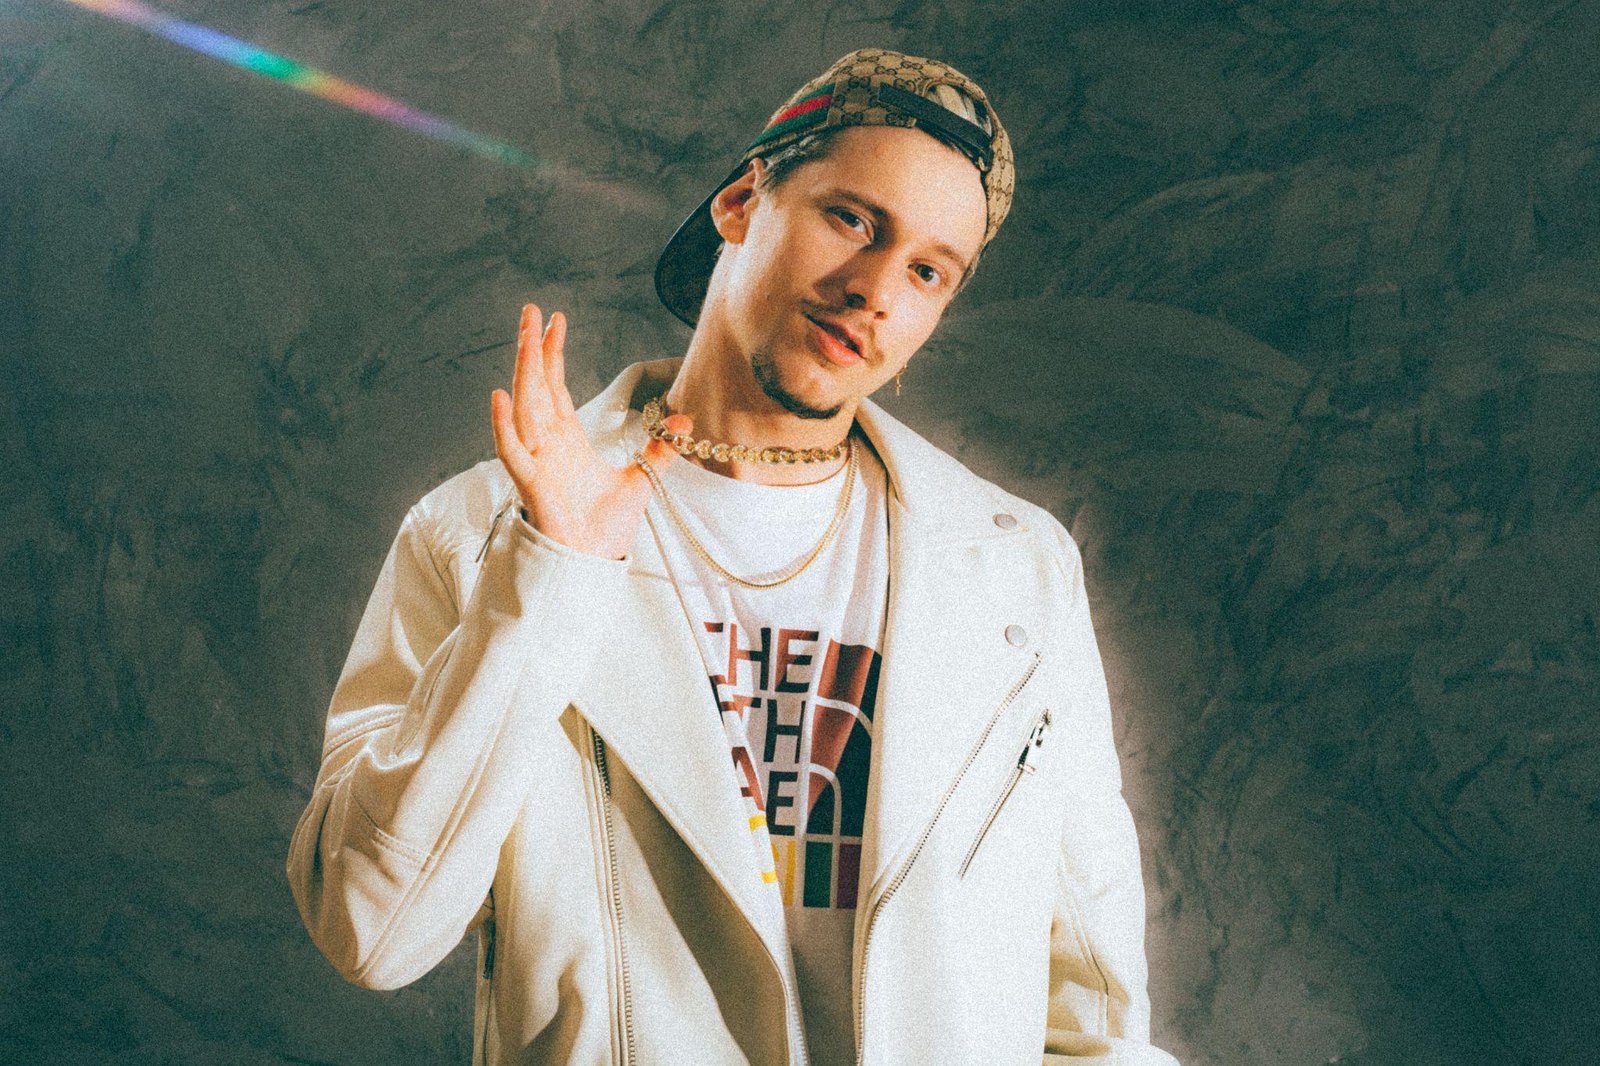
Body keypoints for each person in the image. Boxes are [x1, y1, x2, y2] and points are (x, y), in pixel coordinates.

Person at [286, 47, 1180, 1066]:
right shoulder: (483, 529)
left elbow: (1094, 1008)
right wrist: (554, 573)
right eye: (853, 220)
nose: (875, 290)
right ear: (743, 201)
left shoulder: (1015, 567)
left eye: (928, 271)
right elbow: (372, 928)